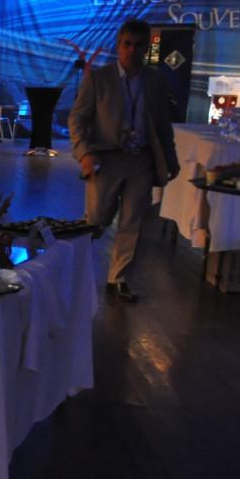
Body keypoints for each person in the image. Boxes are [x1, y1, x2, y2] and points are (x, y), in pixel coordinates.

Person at [67, 18, 180, 303]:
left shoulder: (154, 81)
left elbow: (162, 125)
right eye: (127, 44)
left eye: (138, 45)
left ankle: (118, 278)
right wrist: (84, 154)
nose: (132, 50)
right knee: (96, 221)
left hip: (141, 161)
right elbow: (77, 118)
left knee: (133, 222)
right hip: (106, 160)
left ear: (146, 49)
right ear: (118, 46)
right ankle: (69, 269)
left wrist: (169, 159)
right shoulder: (98, 78)